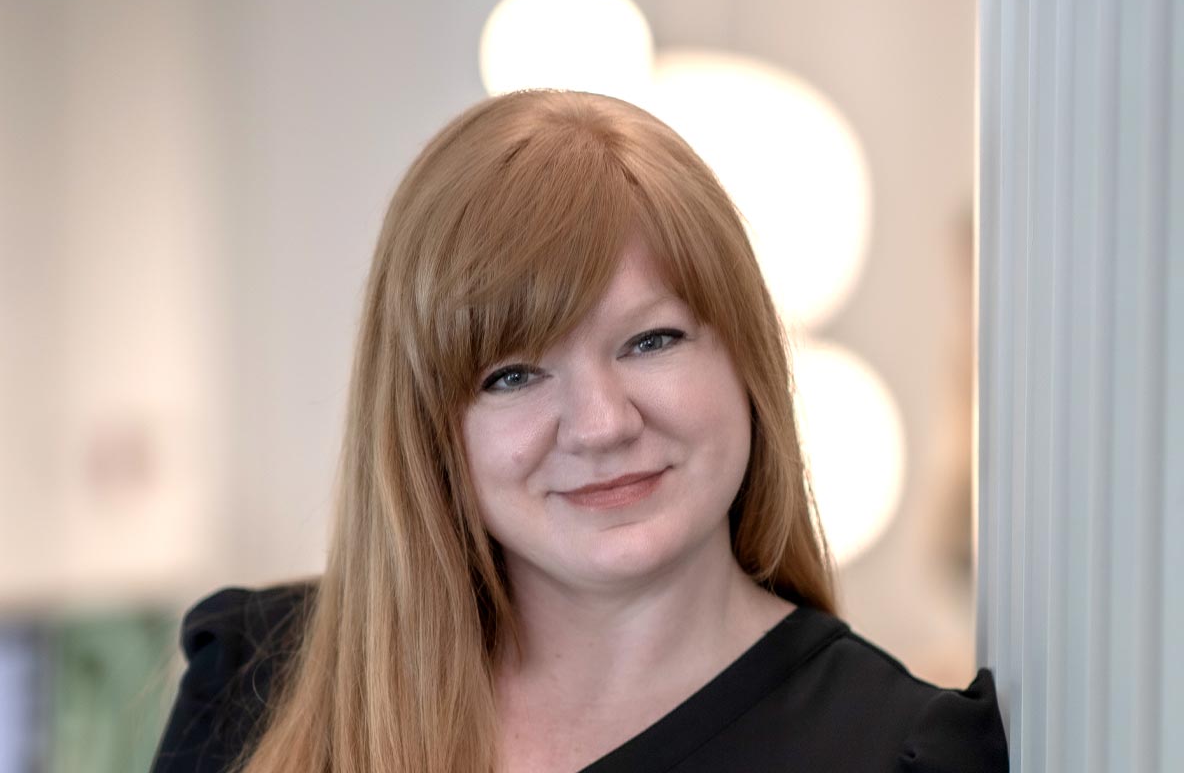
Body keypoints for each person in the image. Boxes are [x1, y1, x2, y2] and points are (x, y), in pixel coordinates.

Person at [152, 89, 1009, 772]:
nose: (602, 424)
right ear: (427, 428)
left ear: (748, 358)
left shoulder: (900, 753)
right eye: (512, 375)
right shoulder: (257, 687)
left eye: (652, 340)